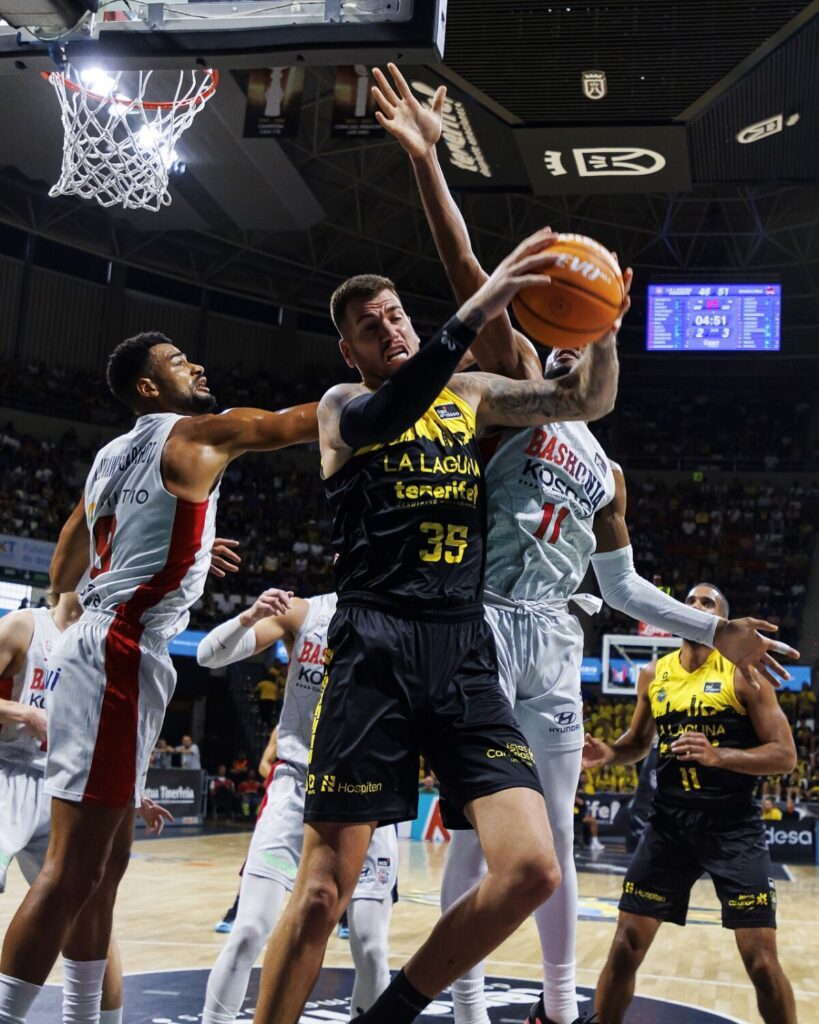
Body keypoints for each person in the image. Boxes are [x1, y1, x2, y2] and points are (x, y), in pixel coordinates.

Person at [371, 61, 799, 1024]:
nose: (564, 344)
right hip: (482, 626)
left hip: (557, 646)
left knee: (553, 842)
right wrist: (428, 166)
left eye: (586, 333)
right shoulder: (518, 396)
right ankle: (471, 1003)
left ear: (597, 337)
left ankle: (559, 1010)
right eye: (562, 331)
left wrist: (711, 626)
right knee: (482, 844)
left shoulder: (605, 467)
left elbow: (624, 586)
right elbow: (472, 279)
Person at [251, 218, 625, 1024]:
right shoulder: (342, 406)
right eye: (368, 327)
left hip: (461, 646)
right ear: (349, 353)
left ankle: (388, 1017)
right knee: (320, 893)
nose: (387, 328)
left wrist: (602, 329)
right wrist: (480, 305)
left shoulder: (472, 395)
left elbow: (583, 400)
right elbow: (388, 415)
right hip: (372, 644)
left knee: (531, 869)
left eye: (394, 315)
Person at [0, 332, 319, 1024]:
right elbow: (304, 422)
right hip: (119, 649)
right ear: (148, 387)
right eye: (178, 360)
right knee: (68, 873)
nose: (198, 364)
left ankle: (92, 1019)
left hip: (107, 645)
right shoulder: (201, 432)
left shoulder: (110, 456)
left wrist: (190, 544)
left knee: (106, 865)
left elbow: (62, 570)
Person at [584, 583, 798, 1024]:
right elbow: (639, 742)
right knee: (625, 945)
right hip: (670, 827)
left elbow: (785, 755)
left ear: (722, 621)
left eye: (708, 603)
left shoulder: (744, 673)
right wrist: (610, 752)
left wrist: (722, 756)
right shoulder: (654, 675)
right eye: (690, 602)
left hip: (732, 827)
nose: (695, 607)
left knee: (760, 960)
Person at [197, 587, 399, 1022]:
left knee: (372, 947)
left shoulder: (404, 619)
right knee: (249, 929)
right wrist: (248, 615)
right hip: (296, 787)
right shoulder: (305, 613)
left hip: (366, 792)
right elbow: (207, 656)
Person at [0, 590, 172, 1024]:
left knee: (89, 906)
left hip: (65, 781)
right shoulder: (25, 626)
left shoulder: (103, 638)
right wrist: (23, 713)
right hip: (8, 773)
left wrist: (135, 793)